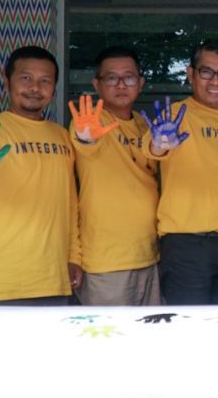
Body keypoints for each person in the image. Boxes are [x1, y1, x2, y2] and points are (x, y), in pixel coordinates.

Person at [0, 46, 82, 304]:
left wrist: (74, 257)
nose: (35, 87)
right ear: (7, 80)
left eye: (45, 81)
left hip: (51, 276)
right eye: (26, 78)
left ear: (54, 87)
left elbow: (69, 203)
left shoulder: (62, 135)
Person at [146, 40, 218, 305]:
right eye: (206, 72)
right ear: (191, 74)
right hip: (187, 246)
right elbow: (151, 148)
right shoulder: (175, 115)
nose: (215, 81)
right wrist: (158, 144)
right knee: (189, 325)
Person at [68, 46, 161, 306]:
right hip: (105, 261)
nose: (121, 84)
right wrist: (86, 137)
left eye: (128, 77)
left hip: (148, 254)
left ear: (140, 83)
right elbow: (86, 142)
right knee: (107, 331)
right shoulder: (88, 122)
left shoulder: (145, 125)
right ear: (96, 85)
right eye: (111, 78)